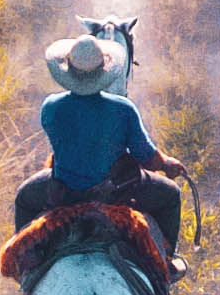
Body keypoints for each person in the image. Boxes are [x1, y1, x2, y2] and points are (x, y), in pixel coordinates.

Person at [12, 30, 187, 263]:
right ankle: (167, 260)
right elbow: (146, 157)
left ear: (68, 70)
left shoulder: (51, 107)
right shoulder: (123, 109)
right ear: (103, 71)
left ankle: (25, 260)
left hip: (64, 192)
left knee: (24, 198)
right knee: (171, 196)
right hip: (114, 193)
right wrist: (168, 163)